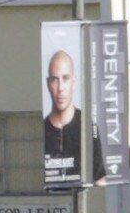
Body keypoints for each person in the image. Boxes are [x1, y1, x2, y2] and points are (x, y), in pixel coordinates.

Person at [42, 48, 104, 188]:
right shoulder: (41, 130)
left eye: (65, 78)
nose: (60, 88)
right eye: (54, 80)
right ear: (48, 84)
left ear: (74, 82)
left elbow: (100, 178)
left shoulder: (87, 127)